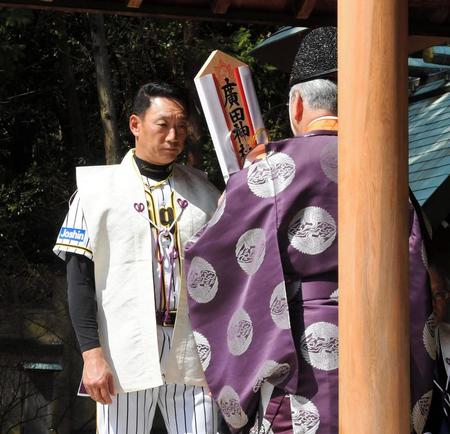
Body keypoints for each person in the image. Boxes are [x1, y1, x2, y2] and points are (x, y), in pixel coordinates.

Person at [184, 27, 435, 434]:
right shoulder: (390, 170)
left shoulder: (270, 170)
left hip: (302, 355)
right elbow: (416, 268)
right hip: (384, 345)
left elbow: (210, 257)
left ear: (297, 104)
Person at [53, 82, 220, 434]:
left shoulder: (205, 192)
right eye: (163, 124)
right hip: (124, 347)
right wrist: (91, 355)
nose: (174, 135)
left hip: (191, 346)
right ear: (135, 124)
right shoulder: (96, 191)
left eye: (181, 125)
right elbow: (79, 279)